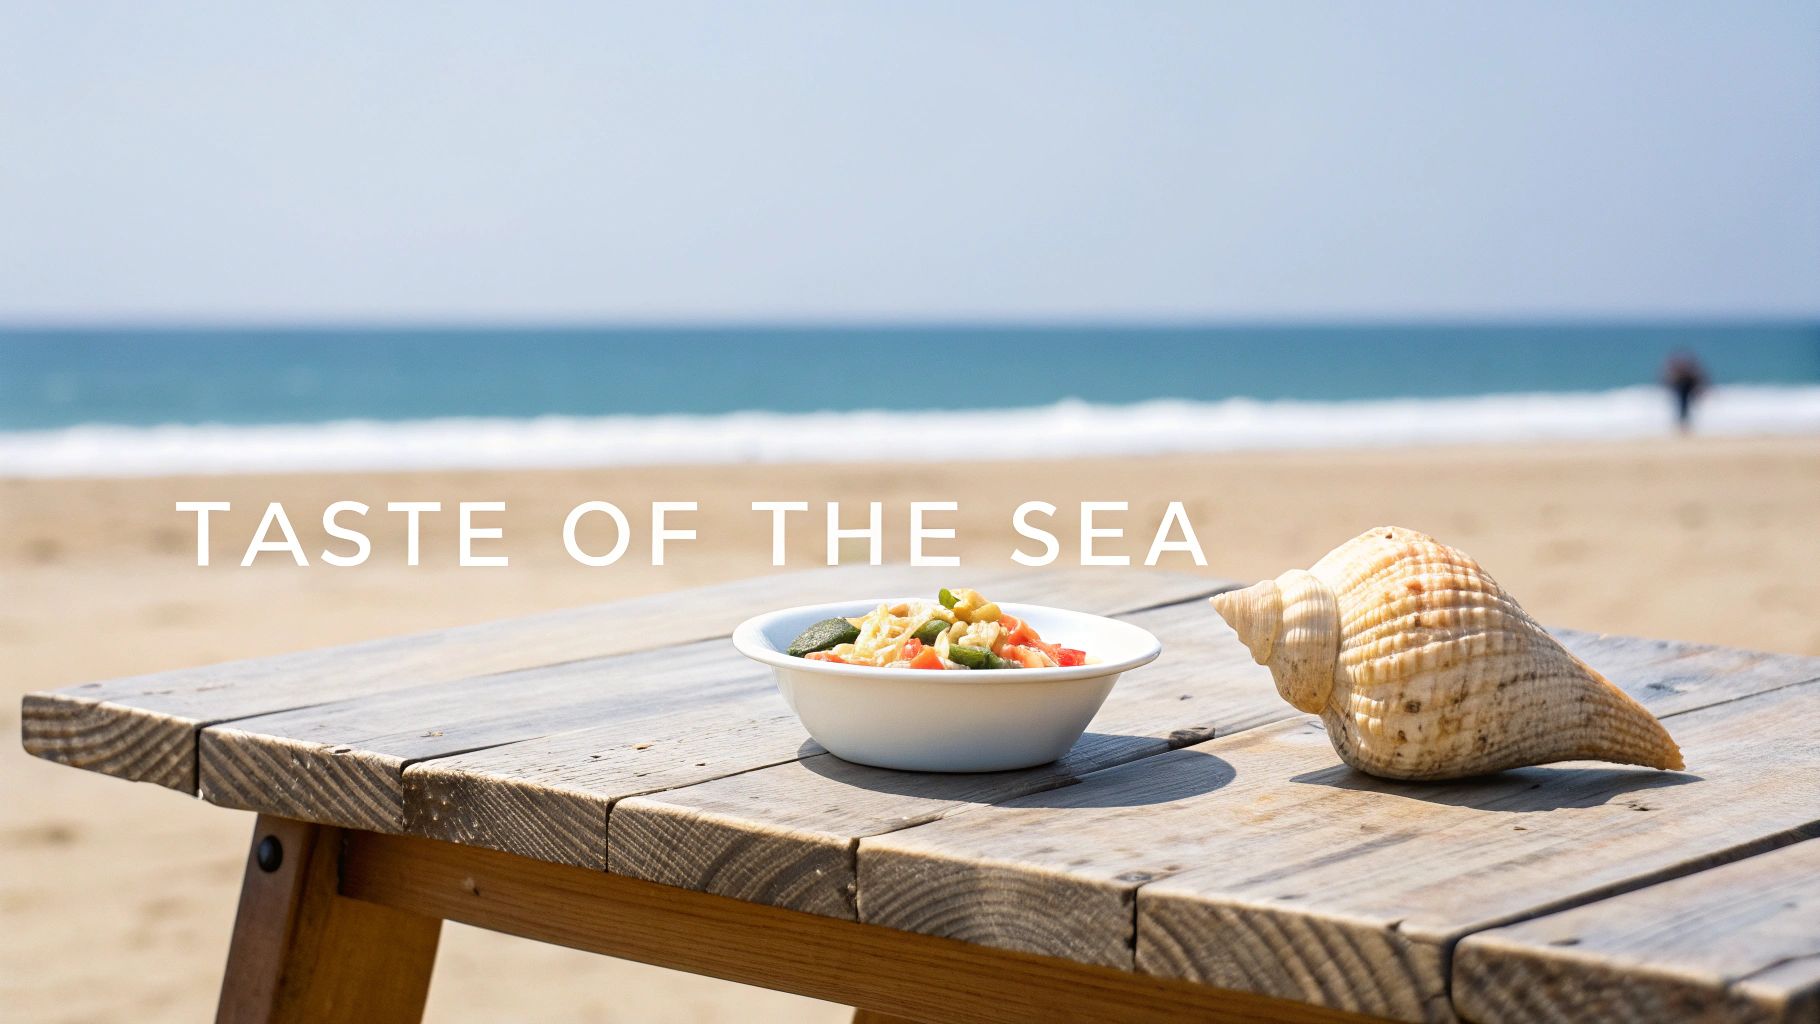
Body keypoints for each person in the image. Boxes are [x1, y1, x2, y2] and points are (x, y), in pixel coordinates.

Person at [1660, 350, 1708, 433]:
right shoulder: (1682, 371)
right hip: (1682, 390)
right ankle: (1683, 426)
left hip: (1686, 390)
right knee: (1682, 407)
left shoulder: (1686, 371)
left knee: (1684, 407)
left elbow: (1697, 379)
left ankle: (1684, 426)